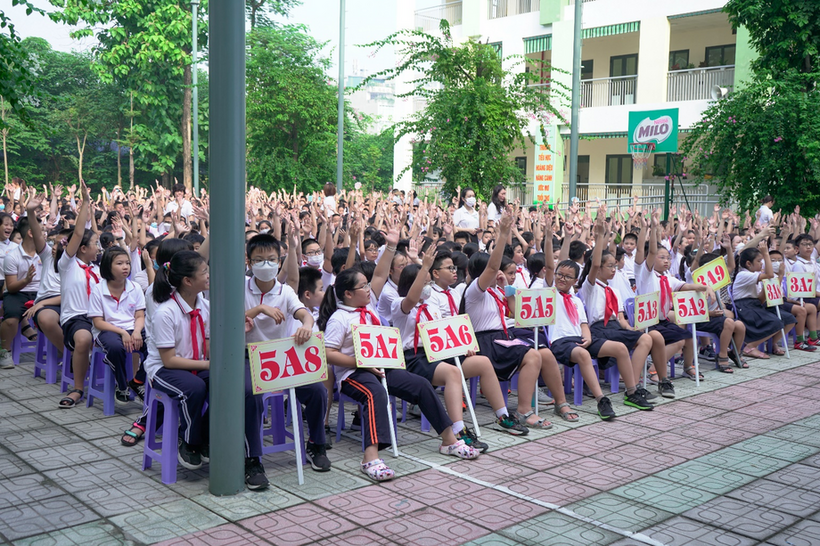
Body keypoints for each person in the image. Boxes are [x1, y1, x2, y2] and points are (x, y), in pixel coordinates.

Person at [320, 268, 479, 482]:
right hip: (354, 374)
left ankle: (449, 440)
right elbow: (328, 354)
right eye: (363, 286)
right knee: (375, 393)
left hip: (383, 367)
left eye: (368, 284)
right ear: (348, 294)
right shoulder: (339, 319)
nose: (368, 290)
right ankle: (370, 456)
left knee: (421, 385)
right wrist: (362, 363)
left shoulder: (370, 310)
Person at [243, 234, 331, 483]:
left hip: (282, 360)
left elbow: (304, 314)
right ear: (249, 262)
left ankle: (316, 444)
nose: (266, 265)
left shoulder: (286, 292)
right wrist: (259, 309)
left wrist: (306, 324)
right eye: (259, 259)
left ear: (279, 260)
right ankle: (253, 459)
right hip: (249, 358)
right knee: (251, 395)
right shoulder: (240, 287)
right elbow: (227, 318)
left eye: (271, 259)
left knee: (317, 391)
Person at [577, 216, 656, 410]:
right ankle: (631, 392)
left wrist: (631, 328)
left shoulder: (614, 290)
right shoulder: (590, 286)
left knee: (645, 338)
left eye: (615, 265)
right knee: (621, 347)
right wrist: (600, 236)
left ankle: (634, 386)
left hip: (614, 328)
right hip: (597, 330)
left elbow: (620, 319)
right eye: (609, 266)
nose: (613, 269)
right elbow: (594, 265)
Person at [142, 251, 212, 471]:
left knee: (226, 383)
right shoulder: (166, 312)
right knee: (195, 387)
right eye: (204, 272)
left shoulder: (205, 306)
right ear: (188, 281)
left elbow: (207, 346)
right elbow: (169, 360)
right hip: (163, 369)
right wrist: (208, 365)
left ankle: (207, 436)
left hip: (195, 363)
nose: (209, 276)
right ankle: (189, 441)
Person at [57, 182, 101, 408]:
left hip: (98, 318)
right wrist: (84, 201)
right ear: (82, 248)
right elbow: (80, 232)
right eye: (95, 244)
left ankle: (127, 384)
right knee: (83, 338)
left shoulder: (98, 269)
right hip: (75, 318)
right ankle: (78, 388)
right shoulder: (68, 264)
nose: (98, 248)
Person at [88, 246, 147, 404]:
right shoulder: (98, 290)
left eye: (127, 263)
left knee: (153, 345)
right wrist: (122, 332)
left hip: (132, 328)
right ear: (108, 266)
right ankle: (122, 385)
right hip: (107, 329)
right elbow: (98, 322)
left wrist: (136, 331)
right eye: (119, 263)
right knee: (115, 347)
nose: (125, 267)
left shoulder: (135, 288)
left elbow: (140, 315)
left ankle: (138, 382)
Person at [733, 244, 791, 359]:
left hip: (755, 305)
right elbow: (769, 275)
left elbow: (760, 299)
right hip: (745, 308)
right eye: (759, 261)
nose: (762, 263)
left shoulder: (754, 275)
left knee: (788, 319)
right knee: (776, 322)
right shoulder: (743, 274)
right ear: (749, 264)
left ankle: (771, 343)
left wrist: (768, 286)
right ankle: (750, 347)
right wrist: (765, 253)